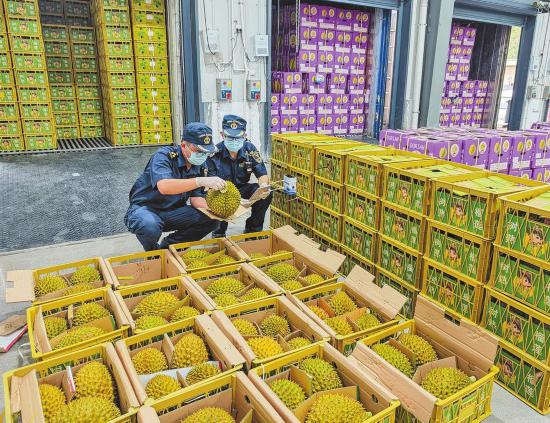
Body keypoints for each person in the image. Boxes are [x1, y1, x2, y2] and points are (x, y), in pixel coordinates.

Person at [125, 122, 225, 251]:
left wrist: (217, 210)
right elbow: (164, 186)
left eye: (205, 152)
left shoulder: (200, 165)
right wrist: (199, 181)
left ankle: (169, 248)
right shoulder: (163, 156)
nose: (202, 155)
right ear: (183, 145)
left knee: (212, 219)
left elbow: (196, 199)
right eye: (199, 151)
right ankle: (154, 254)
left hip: (173, 212)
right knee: (149, 226)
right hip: (145, 210)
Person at [207, 115, 272, 238]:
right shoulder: (214, 154)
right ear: (222, 135)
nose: (234, 141)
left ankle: (253, 230)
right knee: (215, 200)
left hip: (242, 188)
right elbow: (210, 185)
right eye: (230, 137)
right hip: (221, 191)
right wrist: (233, 197)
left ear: (244, 136)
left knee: (266, 194)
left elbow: (262, 173)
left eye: (238, 137)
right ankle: (218, 232)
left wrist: (263, 186)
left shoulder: (250, 150)